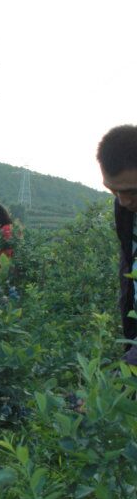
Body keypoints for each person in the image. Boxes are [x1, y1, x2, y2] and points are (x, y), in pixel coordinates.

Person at [97, 125, 137, 365]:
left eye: (131, 191)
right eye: (113, 190)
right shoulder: (124, 208)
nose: (123, 201)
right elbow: (128, 268)